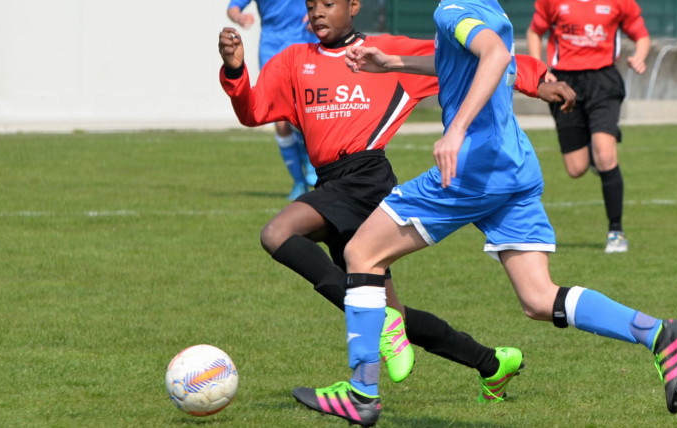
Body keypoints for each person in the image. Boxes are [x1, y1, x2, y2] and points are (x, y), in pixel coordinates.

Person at [292, 0, 677, 426]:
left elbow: (497, 56)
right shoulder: (490, 9)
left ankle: (361, 394)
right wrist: (392, 62)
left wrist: (456, 130)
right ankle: (658, 334)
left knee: (361, 254)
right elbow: (467, 61)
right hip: (513, 166)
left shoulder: (452, 9)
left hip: (473, 169)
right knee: (538, 298)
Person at [217, 0, 577, 410]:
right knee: (392, 312)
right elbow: (254, 111)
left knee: (277, 233)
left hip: (367, 180)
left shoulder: (384, 51)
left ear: (354, 6)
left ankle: (370, 367)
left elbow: (469, 58)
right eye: (311, 5)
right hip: (331, 184)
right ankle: (491, 362)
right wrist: (235, 70)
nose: (317, 12)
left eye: (329, 4)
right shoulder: (293, 60)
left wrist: (537, 80)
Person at [526, 0, 652, 253]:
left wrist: (639, 56)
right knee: (576, 168)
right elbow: (534, 32)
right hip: (564, 83)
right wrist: (540, 68)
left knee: (605, 154)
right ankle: (596, 151)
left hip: (603, 81)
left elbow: (642, 35)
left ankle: (616, 232)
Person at [227, 0, 319, 200]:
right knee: (280, 121)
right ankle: (299, 181)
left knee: (304, 113)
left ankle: (311, 164)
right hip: (272, 49)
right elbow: (233, 7)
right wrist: (239, 18)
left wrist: (319, 16)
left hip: (304, 46)